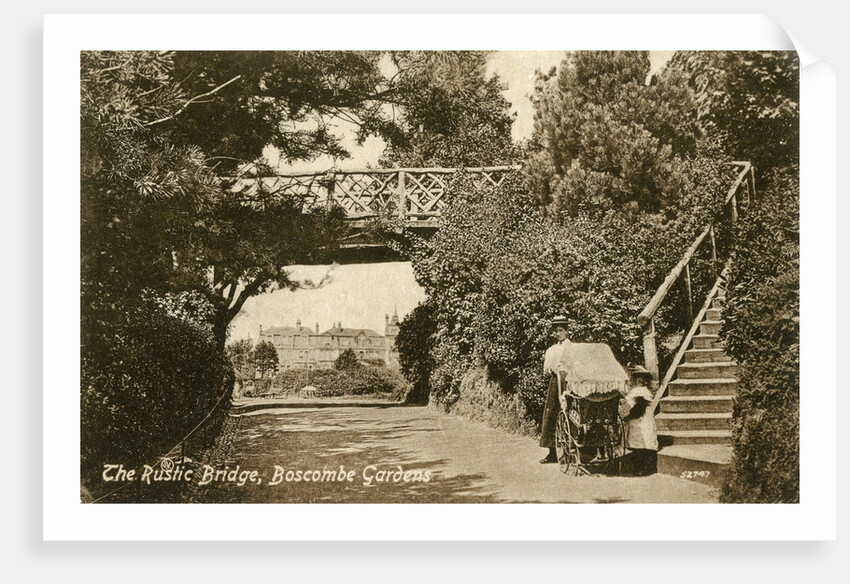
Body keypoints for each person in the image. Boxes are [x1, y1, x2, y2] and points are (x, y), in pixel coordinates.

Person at [539, 315, 571, 463]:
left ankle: (572, 449)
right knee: (552, 412)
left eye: (561, 330)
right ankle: (552, 452)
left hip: (570, 382)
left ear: (566, 331)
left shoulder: (572, 348)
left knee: (571, 413)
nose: (558, 333)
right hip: (555, 382)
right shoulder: (551, 350)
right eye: (556, 331)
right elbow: (546, 370)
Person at [622, 365, 658, 475]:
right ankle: (643, 468)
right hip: (642, 421)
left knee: (640, 445)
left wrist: (628, 417)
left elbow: (638, 408)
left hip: (640, 422)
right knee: (642, 445)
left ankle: (641, 469)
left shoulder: (640, 392)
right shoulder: (644, 391)